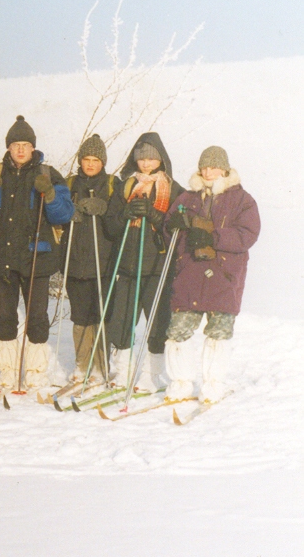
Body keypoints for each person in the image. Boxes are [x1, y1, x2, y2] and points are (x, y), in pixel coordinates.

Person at [0, 116, 74, 390]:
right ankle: (8, 371)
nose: (20, 149)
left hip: (37, 257)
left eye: (25, 144)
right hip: (2, 256)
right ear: (9, 146)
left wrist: (49, 193)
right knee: (4, 317)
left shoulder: (48, 174)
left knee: (37, 318)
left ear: (33, 147)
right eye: (16, 144)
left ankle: (36, 372)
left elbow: (65, 213)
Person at [162, 146, 260, 404]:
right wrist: (173, 227)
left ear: (224, 169)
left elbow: (247, 235)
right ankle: (181, 383)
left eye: (213, 167)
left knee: (219, 331)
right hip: (190, 274)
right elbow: (168, 231)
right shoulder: (187, 198)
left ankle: (213, 384)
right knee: (178, 329)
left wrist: (213, 237)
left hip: (223, 275)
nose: (207, 172)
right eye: (204, 167)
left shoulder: (242, 200)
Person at [102, 132, 184, 393]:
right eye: (141, 159)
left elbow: (177, 228)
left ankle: (153, 375)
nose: (146, 164)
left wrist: (155, 215)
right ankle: (122, 372)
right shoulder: (126, 187)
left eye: (151, 158)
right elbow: (110, 226)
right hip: (127, 266)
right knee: (122, 320)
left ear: (160, 159)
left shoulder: (174, 190)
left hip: (157, 268)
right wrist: (124, 213)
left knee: (157, 323)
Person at [63, 134, 118, 383]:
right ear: (80, 160)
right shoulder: (69, 183)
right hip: (75, 261)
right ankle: (82, 364)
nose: (90, 164)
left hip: (103, 262)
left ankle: (100, 365)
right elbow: (54, 210)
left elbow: (119, 217)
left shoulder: (112, 184)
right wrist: (68, 213)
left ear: (103, 162)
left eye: (96, 159)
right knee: (80, 315)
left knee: (101, 313)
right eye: (86, 159)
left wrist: (104, 208)